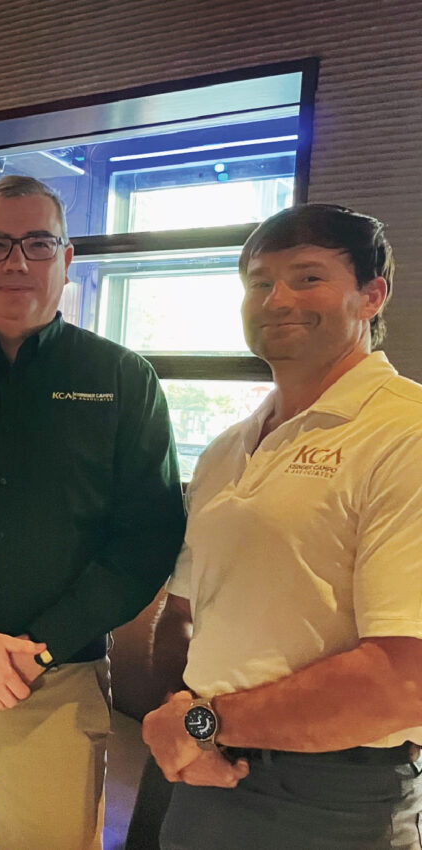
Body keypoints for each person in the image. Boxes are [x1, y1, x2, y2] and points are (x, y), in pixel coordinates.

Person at [0, 174, 186, 849]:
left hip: (61, 679)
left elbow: (148, 539)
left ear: (67, 260)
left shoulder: (122, 380)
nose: (17, 262)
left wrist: (40, 648)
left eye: (38, 243)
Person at [143, 203, 422, 849]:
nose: (277, 299)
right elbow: (185, 611)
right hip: (203, 778)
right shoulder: (228, 448)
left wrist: (205, 724)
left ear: (371, 295)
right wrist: (182, 725)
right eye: (259, 282)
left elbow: (403, 681)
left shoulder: (403, 433)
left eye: (308, 277)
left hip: (336, 800)